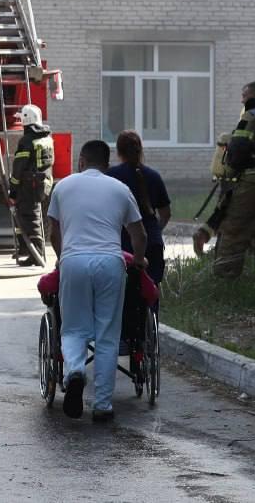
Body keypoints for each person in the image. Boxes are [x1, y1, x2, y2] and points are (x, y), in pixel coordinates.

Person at [47, 140, 147, 422]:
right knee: (106, 335)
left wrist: (62, 255)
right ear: (107, 164)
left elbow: (53, 230)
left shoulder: (63, 186)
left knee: (73, 329)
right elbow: (139, 234)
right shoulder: (120, 189)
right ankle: (102, 405)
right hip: (110, 263)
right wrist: (138, 260)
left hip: (74, 261)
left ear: (81, 161)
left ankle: (75, 371)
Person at [193, 81, 255, 278]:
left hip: (252, 181)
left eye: (244, 96)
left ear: (252, 96)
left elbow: (239, 148)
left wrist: (230, 168)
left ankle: (225, 281)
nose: (242, 100)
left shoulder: (251, 115)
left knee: (234, 231)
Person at [107, 130, 169, 288]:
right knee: (150, 291)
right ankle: (151, 313)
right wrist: (155, 230)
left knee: (123, 294)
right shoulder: (153, 176)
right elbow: (165, 214)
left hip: (121, 244)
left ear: (118, 152)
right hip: (152, 243)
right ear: (140, 150)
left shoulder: (111, 177)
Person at [7, 104, 54, 267]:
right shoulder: (47, 138)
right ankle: (26, 248)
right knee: (27, 216)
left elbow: (18, 168)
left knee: (30, 218)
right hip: (43, 184)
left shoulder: (27, 141)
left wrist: (13, 191)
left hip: (29, 186)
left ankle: (37, 253)